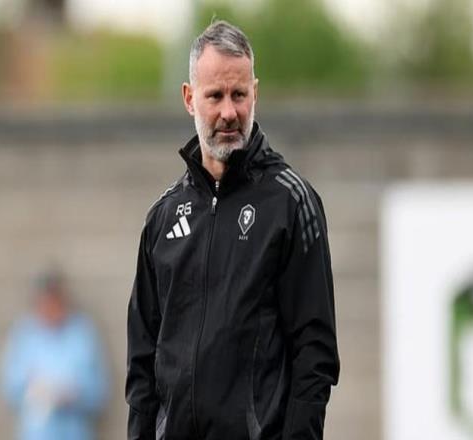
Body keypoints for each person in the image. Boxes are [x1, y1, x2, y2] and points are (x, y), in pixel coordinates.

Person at [126, 20, 340, 440]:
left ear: (255, 93)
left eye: (239, 95)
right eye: (215, 96)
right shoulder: (163, 218)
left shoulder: (291, 203)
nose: (229, 112)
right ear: (189, 99)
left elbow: (315, 355)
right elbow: (142, 363)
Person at [0, 270, 109, 440]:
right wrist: (34, 388)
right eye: (45, 303)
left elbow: (99, 391)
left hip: (75, 432)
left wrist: (71, 395)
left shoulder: (82, 333)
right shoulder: (24, 334)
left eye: (55, 302)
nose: (50, 309)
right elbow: (9, 386)